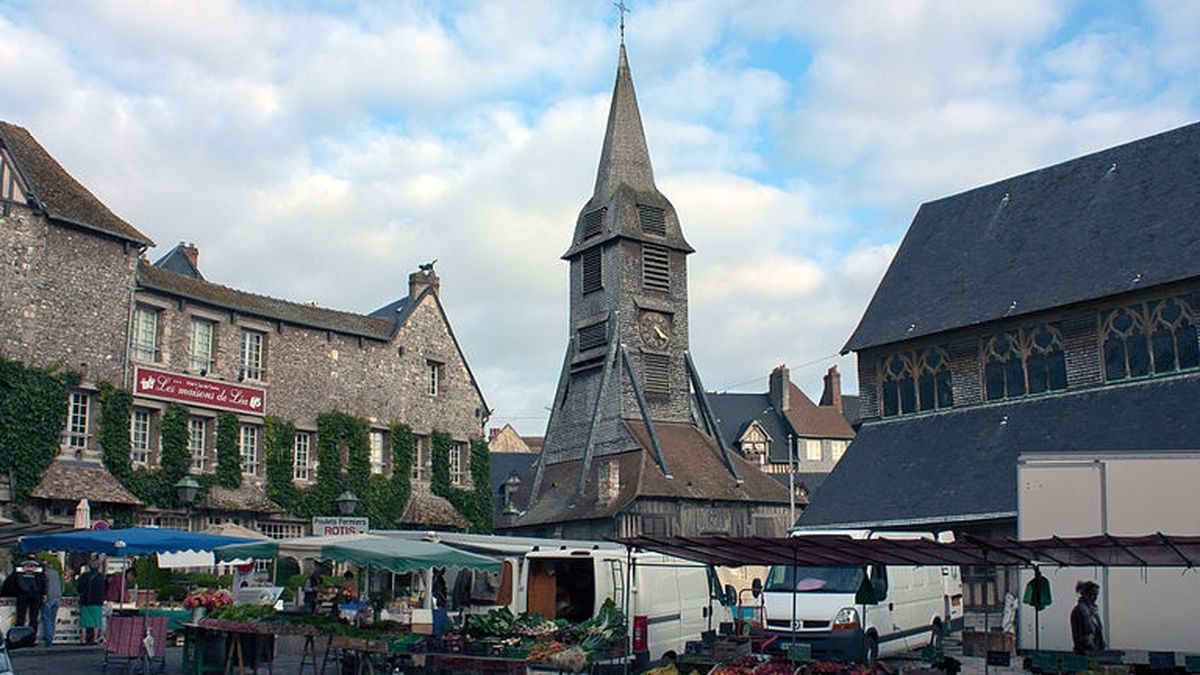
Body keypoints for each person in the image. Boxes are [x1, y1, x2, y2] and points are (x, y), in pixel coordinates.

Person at [14, 555, 46, 639]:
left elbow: (14, 579)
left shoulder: (19, 566)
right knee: (33, 618)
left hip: (22, 594)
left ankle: (19, 638)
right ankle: (32, 638)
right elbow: (43, 580)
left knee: (20, 618)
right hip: (36, 594)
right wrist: (43, 593)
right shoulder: (39, 566)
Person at [1070, 580, 1105, 654]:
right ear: (1085, 594)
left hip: (1095, 651)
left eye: (1096, 595)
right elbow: (1078, 637)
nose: (1095, 598)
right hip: (1084, 653)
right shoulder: (1078, 611)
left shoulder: (1094, 612)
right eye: (1092, 594)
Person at [78, 562, 106, 645]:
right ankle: (95, 639)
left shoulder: (84, 576)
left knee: (84, 622)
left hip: (85, 601)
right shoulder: (101, 577)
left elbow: (79, 588)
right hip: (97, 601)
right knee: (96, 622)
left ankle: (82, 640)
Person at [41, 561, 63, 647]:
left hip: (49, 598)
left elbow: (45, 585)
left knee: (47, 619)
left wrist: (44, 595)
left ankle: (48, 639)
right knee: (52, 619)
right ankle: (52, 637)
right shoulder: (56, 573)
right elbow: (61, 585)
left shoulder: (45, 573)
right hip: (57, 597)